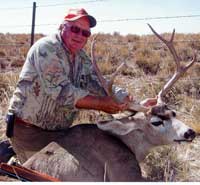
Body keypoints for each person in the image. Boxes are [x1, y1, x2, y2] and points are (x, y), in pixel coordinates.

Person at [6, 8, 156, 163]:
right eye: (75, 29)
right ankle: (14, 157)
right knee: (47, 176)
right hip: (29, 132)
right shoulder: (47, 49)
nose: (80, 36)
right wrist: (100, 104)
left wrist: (132, 103)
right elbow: (62, 92)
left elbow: (98, 84)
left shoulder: (81, 57)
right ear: (62, 27)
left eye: (85, 33)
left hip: (60, 133)